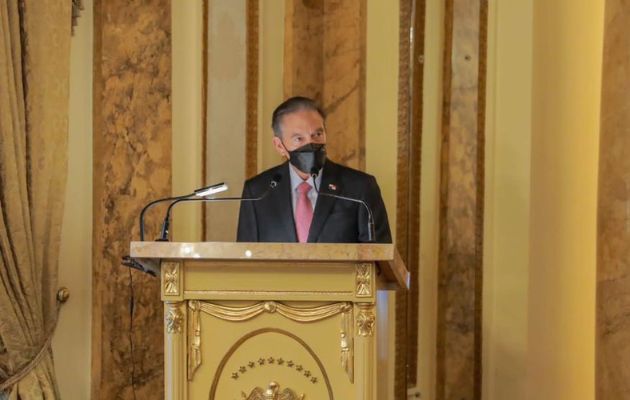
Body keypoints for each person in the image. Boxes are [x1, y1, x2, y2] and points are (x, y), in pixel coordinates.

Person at [236, 96, 392, 243]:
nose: (311, 144)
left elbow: (379, 260)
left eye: (317, 134)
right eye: (299, 139)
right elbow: (245, 259)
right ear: (279, 146)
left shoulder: (360, 187)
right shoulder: (257, 191)